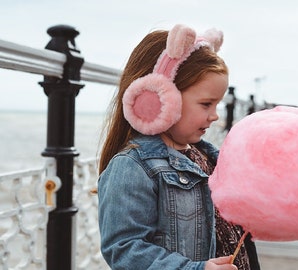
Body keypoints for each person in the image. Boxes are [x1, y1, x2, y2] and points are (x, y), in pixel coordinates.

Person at [97, 24, 261, 270]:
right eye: (206, 104)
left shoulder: (207, 156)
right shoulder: (133, 167)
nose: (215, 116)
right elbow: (124, 250)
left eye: (218, 104)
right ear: (159, 100)